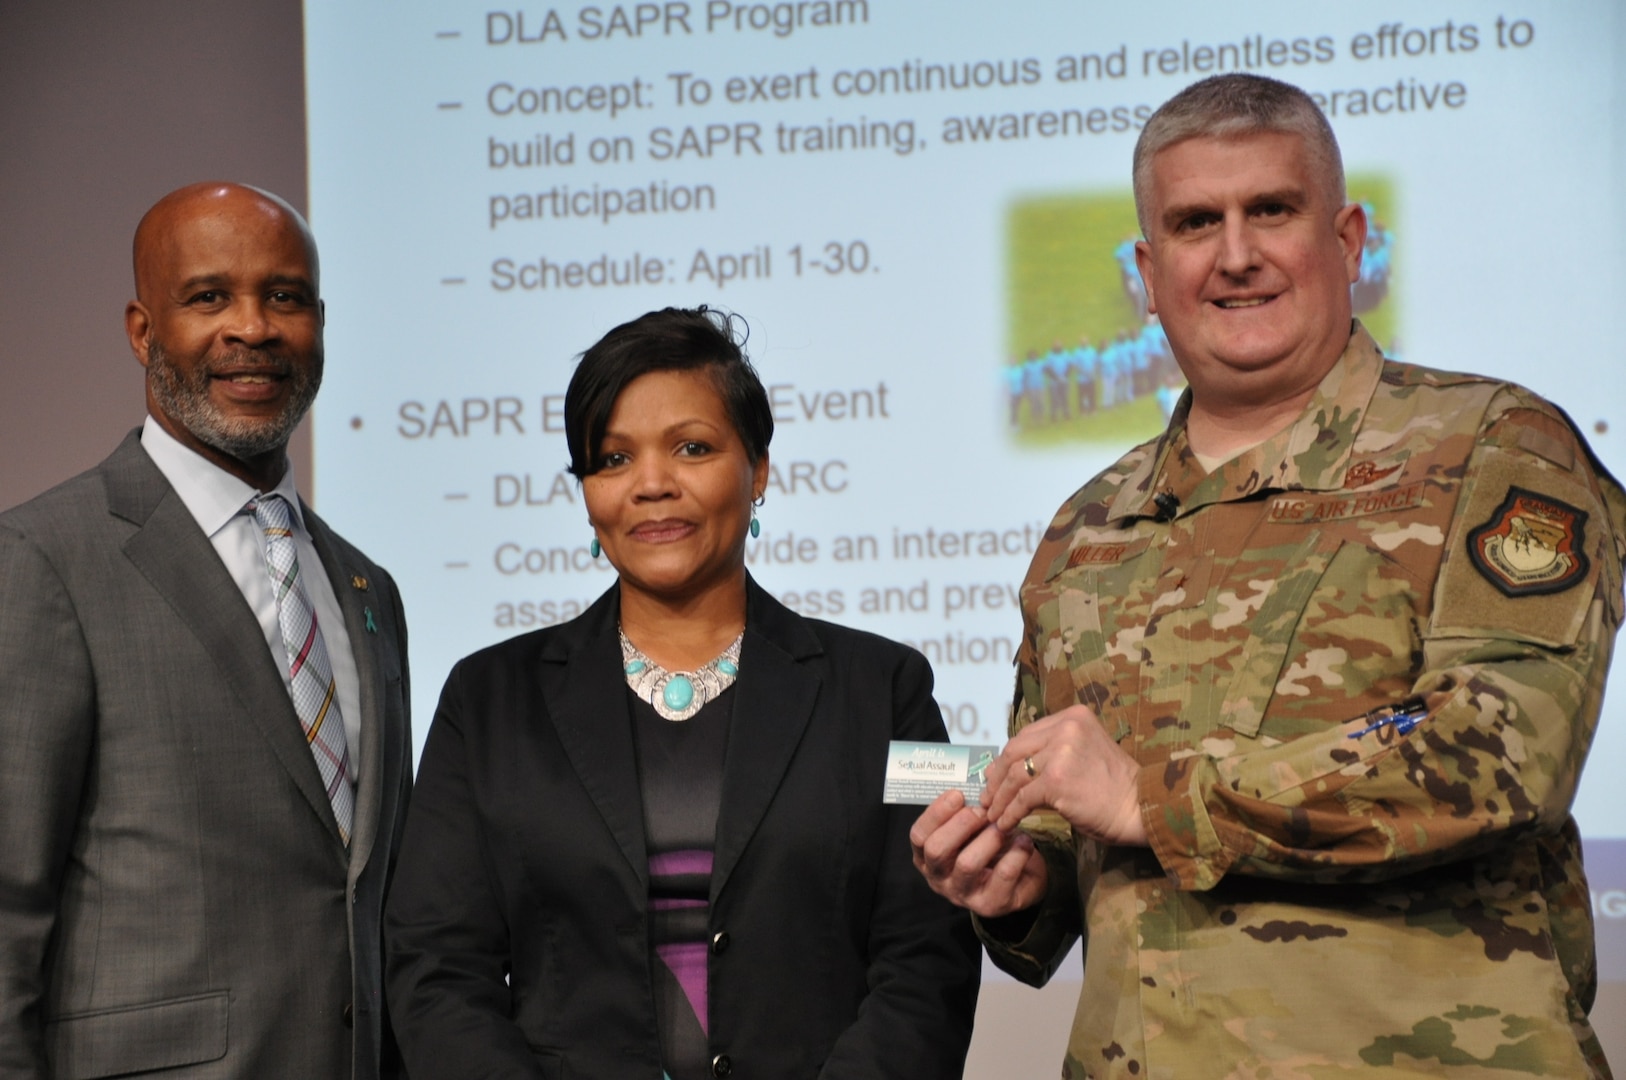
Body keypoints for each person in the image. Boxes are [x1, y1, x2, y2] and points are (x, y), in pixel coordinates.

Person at [912, 72, 1624, 1078]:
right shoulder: (1089, 525)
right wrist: (1019, 878)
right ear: (1148, 276)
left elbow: (1503, 744)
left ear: (1347, 240)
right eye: (1197, 223)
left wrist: (1155, 801)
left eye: (1272, 211)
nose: (1236, 255)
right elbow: (1073, 832)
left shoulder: (1494, 446)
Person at [385, 307, 980, 1079]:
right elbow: (435, 968)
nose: (652, 485)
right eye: (612, 459)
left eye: (692, 448)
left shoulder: (894, 686)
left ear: (758, 468)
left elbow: (933, 954)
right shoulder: (486, 698)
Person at [0, 182, 412, 1078]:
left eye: (285, 297)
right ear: (144, 332)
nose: (254, 328)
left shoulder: (366, 587)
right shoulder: (42, 559)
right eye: (209, 297)